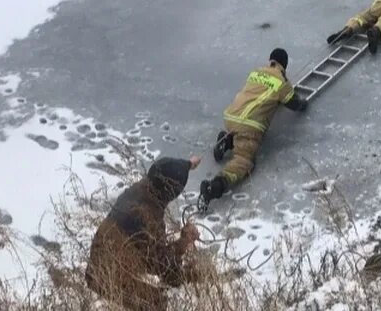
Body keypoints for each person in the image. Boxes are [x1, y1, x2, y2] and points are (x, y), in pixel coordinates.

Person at [86, 156, 202, 311]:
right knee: (156, 302)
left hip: (100, 262)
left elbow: (167, 168)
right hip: (104, 277)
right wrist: (184, 242)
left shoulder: (141, 189)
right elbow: (160, 266)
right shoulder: (148, 216)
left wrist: (188, 164)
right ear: (172, 193)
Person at [199, 47, 306, 208]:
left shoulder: (256, 72)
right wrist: (303, 104)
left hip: (231, 117)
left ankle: (228, 140)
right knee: (244, 161)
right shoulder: (281, 82)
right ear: (284, 65)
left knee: (239, 132)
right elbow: (293, 103)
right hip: (249, 126)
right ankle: (214, 186)